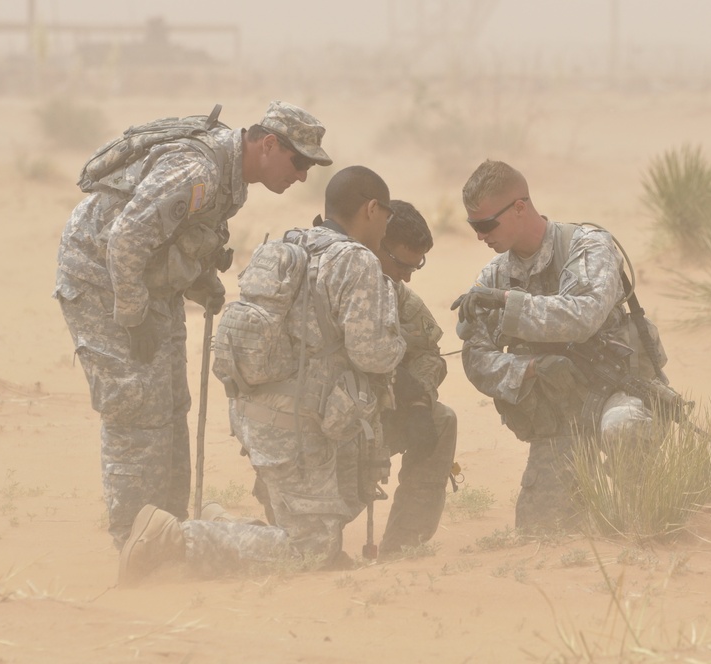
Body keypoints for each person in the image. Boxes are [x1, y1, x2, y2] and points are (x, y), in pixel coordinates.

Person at [55, 100, 332, 549]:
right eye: (298, 161)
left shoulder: (234, 183)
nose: (302, 175)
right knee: (134, 403)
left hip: (146, 284)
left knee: (169, 400)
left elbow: (181, 232)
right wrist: (131, 314)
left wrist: (200, 280)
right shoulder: (197, 171)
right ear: (267, 145)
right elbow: (127, 238)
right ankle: (134, 541)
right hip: (101, 277)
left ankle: (169, 529)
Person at [117, 165, 405, 584]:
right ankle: (176, 539)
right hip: (300, 428)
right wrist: (399, 342)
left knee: (314, 530)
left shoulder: (295, 245)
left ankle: (221, 525)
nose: (386, 227)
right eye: (387, 217)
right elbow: (373, 353)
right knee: (310, 549)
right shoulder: (356, 260)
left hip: (257, 412)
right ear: (372, 209)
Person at [451, 160, 663, 533]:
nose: (481, 236)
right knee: (542, 533)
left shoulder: (588, 246)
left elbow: (582, 316)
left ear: (519, 207)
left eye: (486, 224)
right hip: (559, 413)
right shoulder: (495, 275)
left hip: (616, 391)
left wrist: (506, 302)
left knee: (624, 432)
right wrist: (530, 369)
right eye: (474, 227)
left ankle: (649, 529)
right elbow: (476, 358)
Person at [247, 200, 458, 557]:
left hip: (355, 417)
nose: (407, 276)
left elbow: (428, 352)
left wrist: (418, 398)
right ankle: (207, 534)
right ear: (375, 243)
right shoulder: (315, 281)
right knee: (312, 550)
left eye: (415, 266)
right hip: (304, 426)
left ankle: (404, 549)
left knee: (440, 420)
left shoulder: (391, 291)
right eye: (401, 264)